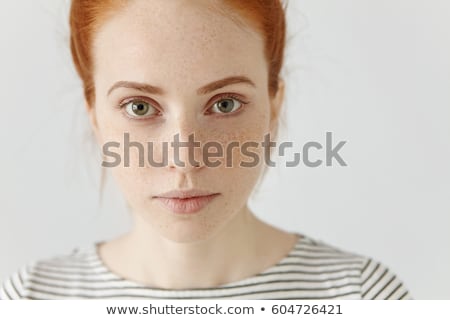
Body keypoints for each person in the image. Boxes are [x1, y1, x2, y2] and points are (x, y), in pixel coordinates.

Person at [0, 0, 411, 299]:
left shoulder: (363, 296)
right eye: (139, 107)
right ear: (95, 117)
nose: (185, 160)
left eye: (225, 104)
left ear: (273, 107)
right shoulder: (32, 298)